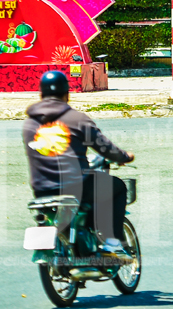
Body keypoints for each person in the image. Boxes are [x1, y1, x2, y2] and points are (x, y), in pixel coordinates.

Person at [23, 70, 134, 255]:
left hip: (41, 188)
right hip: (75, 186)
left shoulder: (29, 124)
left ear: (41, 94)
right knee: (118, 187)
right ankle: (112, 241)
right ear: (67, 94)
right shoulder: (77, 119)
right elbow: (105, 148)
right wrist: (125, 157)